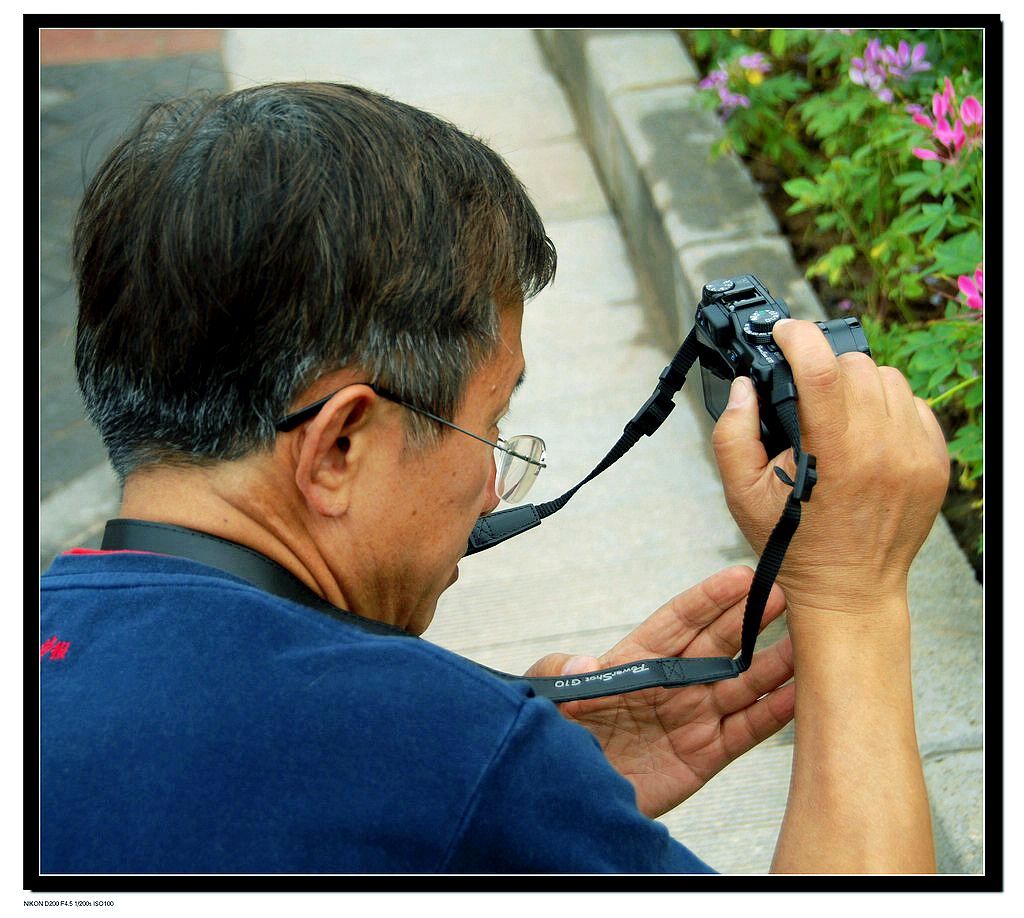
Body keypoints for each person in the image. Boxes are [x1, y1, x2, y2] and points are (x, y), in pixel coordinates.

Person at [40, 82, 949, 874]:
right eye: (491, 423)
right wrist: (855, 603)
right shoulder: (442, 761)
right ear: (339, 448)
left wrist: (529, 820)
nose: (490, 488)